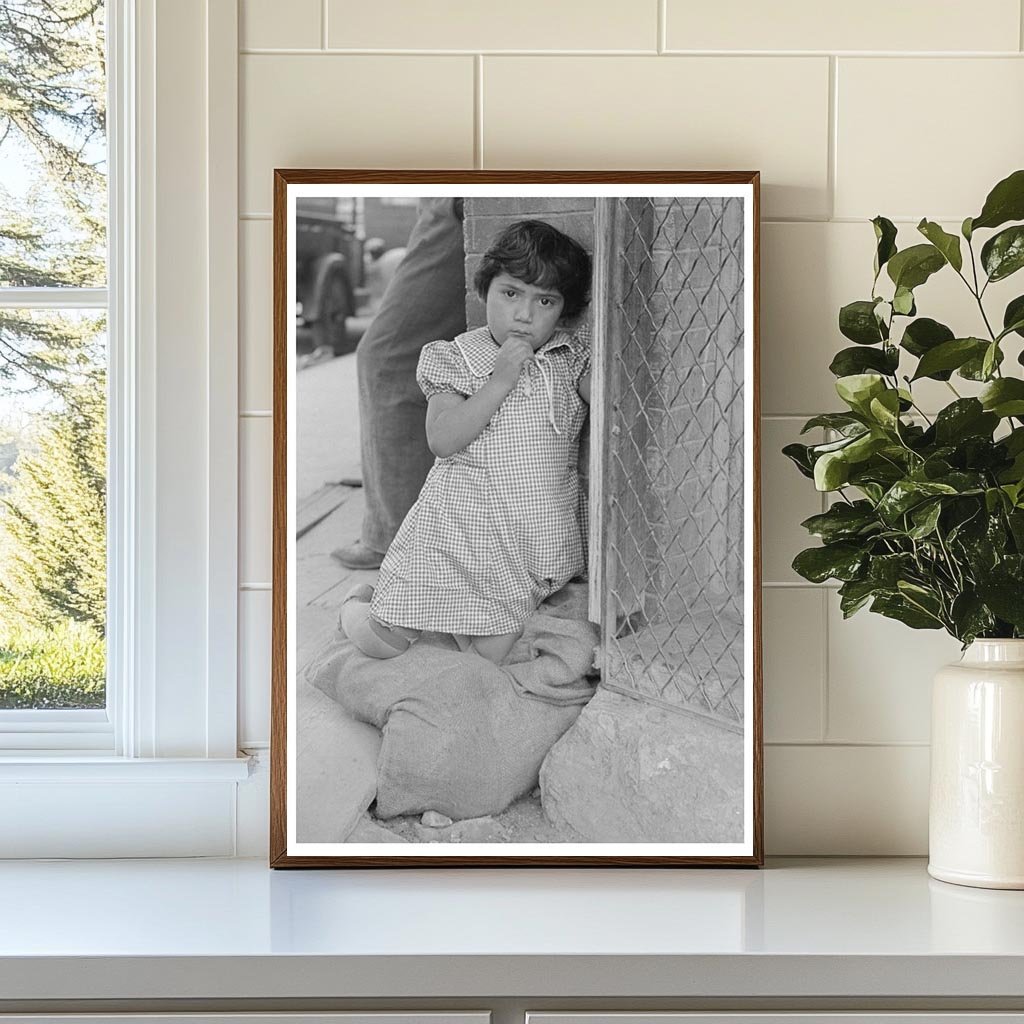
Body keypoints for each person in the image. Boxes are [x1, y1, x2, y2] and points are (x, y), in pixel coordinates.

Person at [341, 219, 593, 666]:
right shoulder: (456, 358)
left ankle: (457, 624)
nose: (524, 314)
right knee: (386, 641)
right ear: (484, 290)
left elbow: (614, 404)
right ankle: (357, 608)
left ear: (563, 310)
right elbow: (442, 439)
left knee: (488, 657)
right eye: (510, 293)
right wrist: (500, 380)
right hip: (458, 532)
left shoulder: (569, 357)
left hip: (531, 538)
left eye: (545, 301)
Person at [331, 198, 467, 570]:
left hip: (454, 202)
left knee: (386, 360)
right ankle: (416, 529)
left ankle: (395, 536)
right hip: (447, 202)